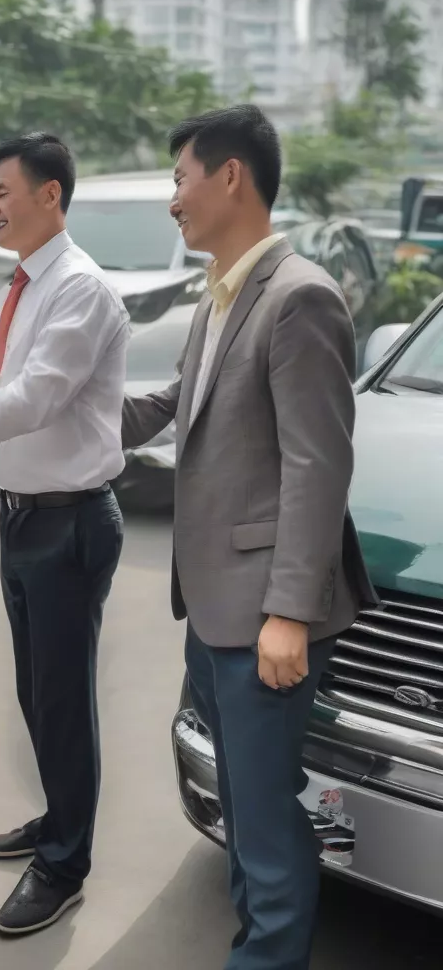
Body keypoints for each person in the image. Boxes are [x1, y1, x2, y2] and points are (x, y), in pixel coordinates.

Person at [122, 105, 378, 970]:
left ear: (231, 176)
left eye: (180, 178)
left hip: (262, 615)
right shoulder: (225, 291)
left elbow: (317, 467)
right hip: (213, 607)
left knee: (265, 816)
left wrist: (288, 614)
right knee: (240, 803)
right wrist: (49, 415)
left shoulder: (300, 295)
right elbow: (173, 406)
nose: (173, 200)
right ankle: (252, 946)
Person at [0, 132, 129, 935]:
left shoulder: (79, 289)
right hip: (24, 515)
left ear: (51, 196)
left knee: (63, 699)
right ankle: (58, 817)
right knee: (37, 693)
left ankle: (65, 864)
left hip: (71, 521)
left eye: (5, 191)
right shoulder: (19, 288)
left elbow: (34, 399)